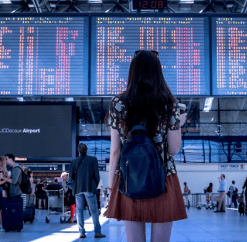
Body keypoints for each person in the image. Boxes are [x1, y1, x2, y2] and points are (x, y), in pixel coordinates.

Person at [105, 50, 188, 242]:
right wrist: (177, 125)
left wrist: (111, 188)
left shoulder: (118, 103)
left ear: (132, 72)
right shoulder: (169, 103)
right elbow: (173, 150)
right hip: (163, 178)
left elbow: (115, 150)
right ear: (158, 73)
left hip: (129, 178)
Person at [69, 143, 105, 239]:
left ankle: (81, 232)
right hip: (89, 187)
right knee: (94, 210)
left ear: (78, 151)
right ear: (87, 149)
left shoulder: (74, 161)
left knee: (79, 211)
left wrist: (73, 187)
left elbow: (70, 178)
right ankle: (97, 232)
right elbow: (97, 175)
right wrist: (94, 185)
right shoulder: (93, 160)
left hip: (78, 189)